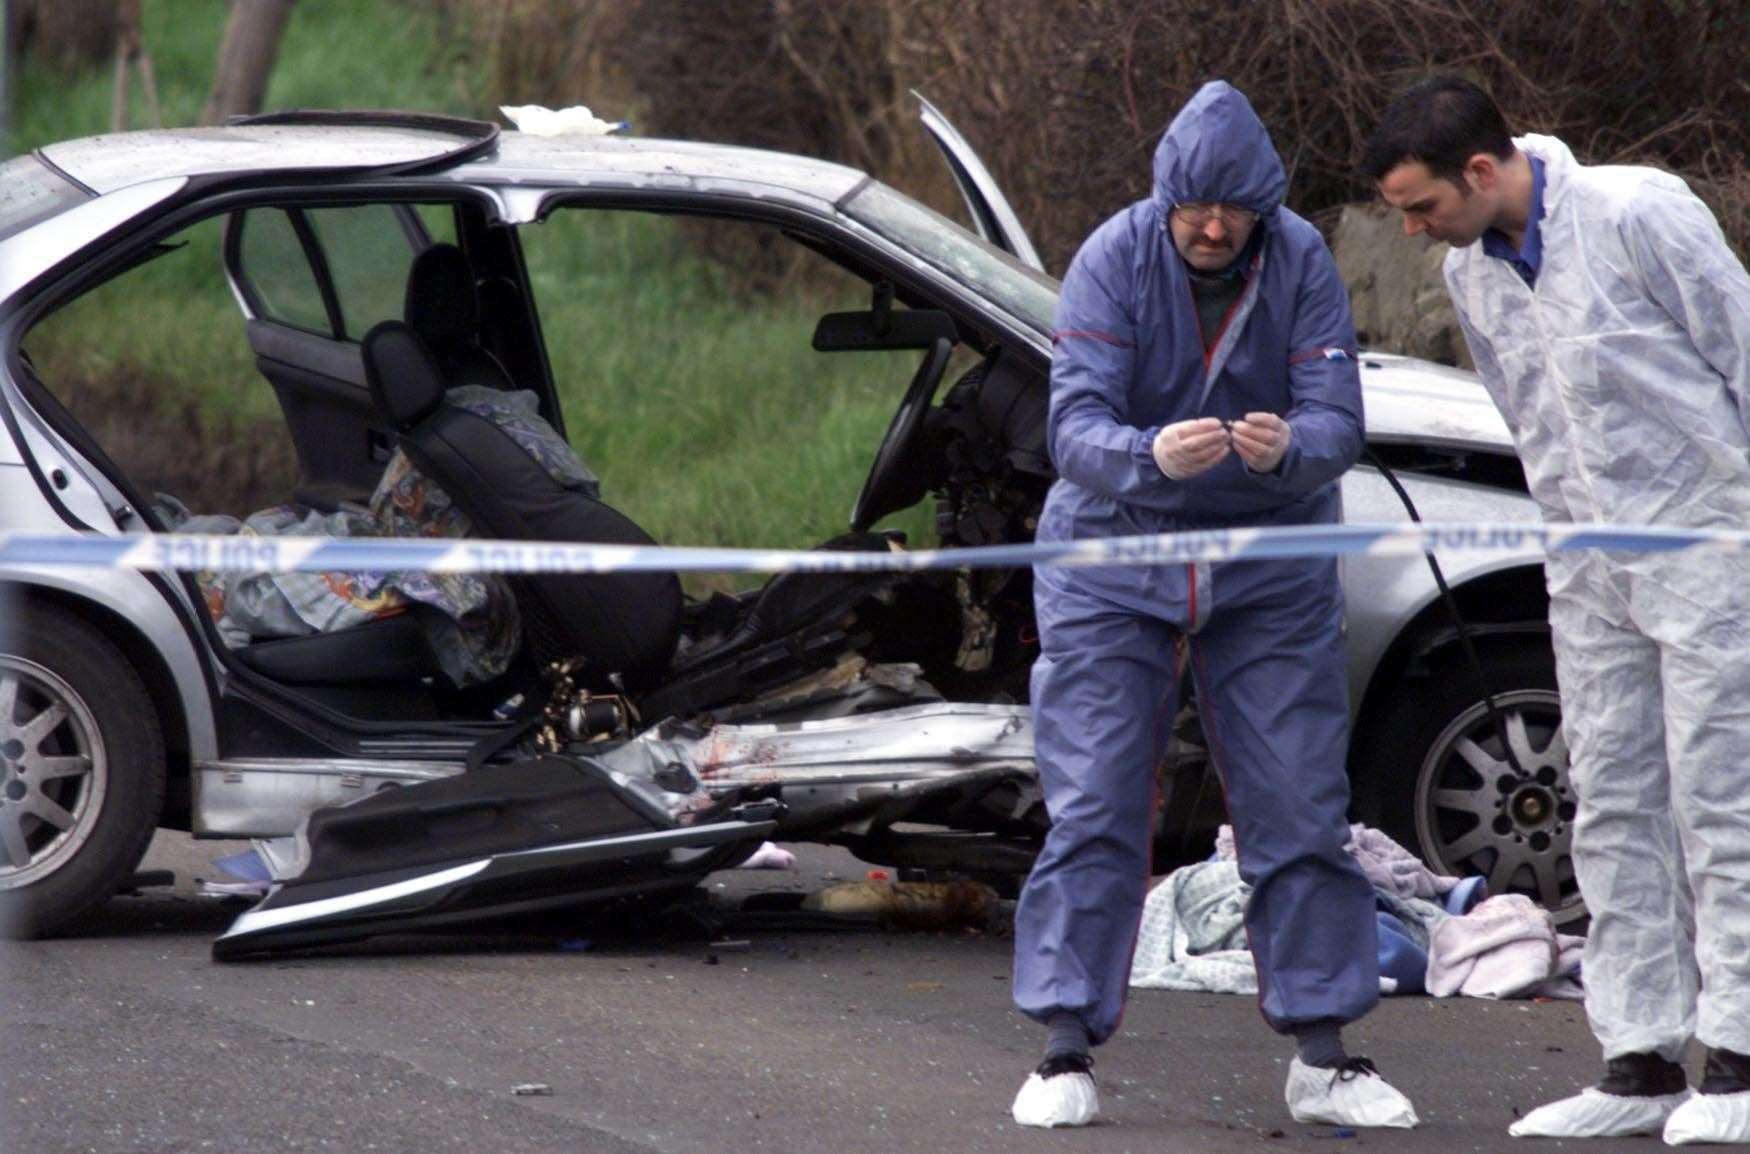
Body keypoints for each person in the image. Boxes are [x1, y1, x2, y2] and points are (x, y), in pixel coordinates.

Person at [1010, 79, 1418, 1132]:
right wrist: (1145, 455)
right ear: (1163, 197)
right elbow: (1073, 426)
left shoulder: (1301, 260)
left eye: (1232, 208)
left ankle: (1324, 1054)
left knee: (1297, 808)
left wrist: (1295, 446)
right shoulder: (1111, 256)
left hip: (1268, 564)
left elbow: (1339, 415)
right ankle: (1061, 1046)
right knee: (1095, 803)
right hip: (1114, 561)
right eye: (1192, 204)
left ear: (1264, 208)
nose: (1210, 225)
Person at [1363, 76, 1750, 1146]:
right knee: (1613, 795)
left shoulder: (1639, 213)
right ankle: (1636, 1054)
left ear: (1479, 172)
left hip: (1707, 538)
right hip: (1585, 559)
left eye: (1420, 203)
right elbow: (1525, 410)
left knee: (1721, 794)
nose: (1411, 227)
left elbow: (1742, 349)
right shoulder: (1470, 272)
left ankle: (1740, 1051)